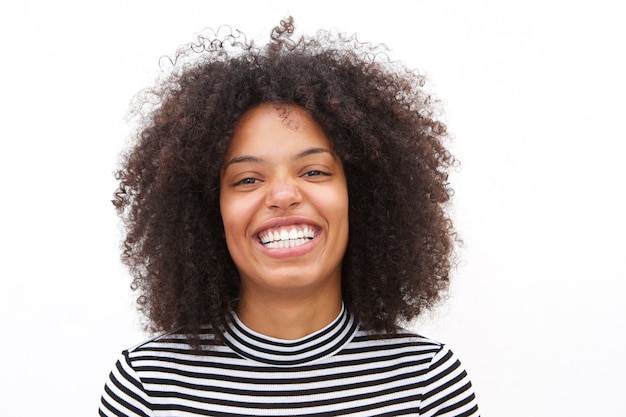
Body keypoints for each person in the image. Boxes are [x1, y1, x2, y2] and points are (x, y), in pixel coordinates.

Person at [99, 17, 480, 416]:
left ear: (361, 198)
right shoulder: (148, 388)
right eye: (247, 179)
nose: (283, 195)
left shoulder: (427, 383)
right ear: (209, 211)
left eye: (314, 171)